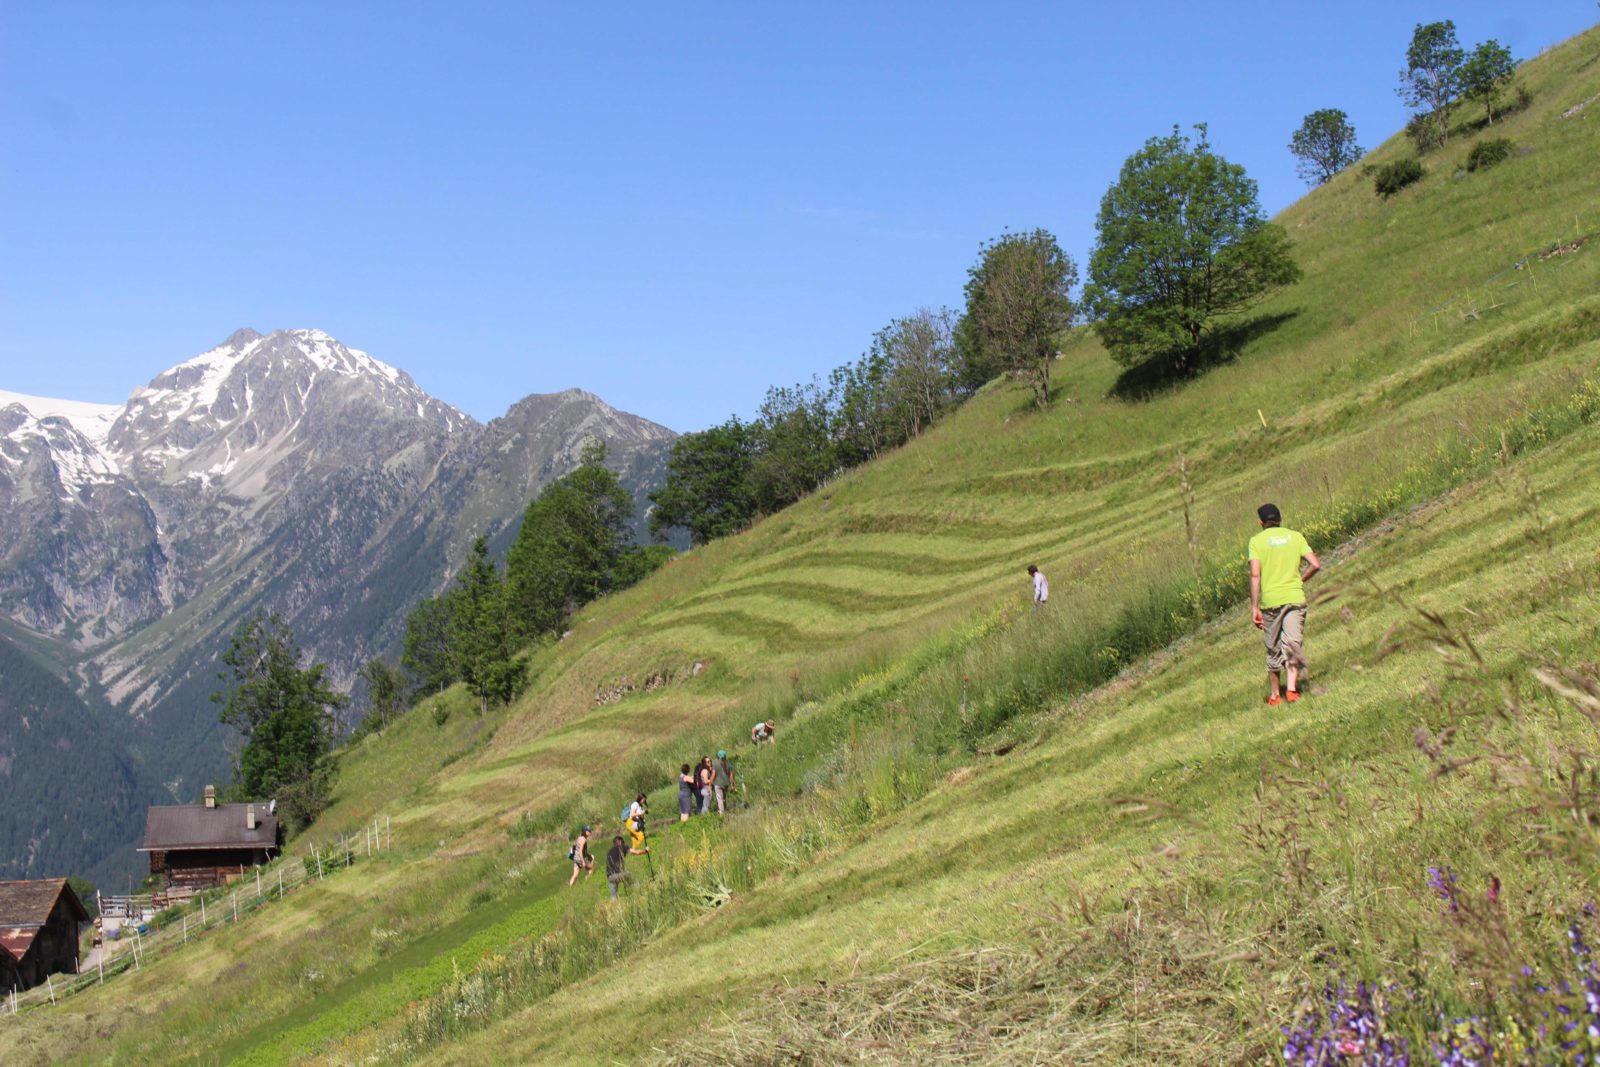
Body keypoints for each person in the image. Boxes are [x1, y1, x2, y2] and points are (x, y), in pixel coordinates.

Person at [1248, 503, 1321, 706]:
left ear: (1261, 523)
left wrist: (1254, 606)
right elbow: (1315, 564)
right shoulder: (1295, 537)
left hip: (1271, 601)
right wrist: (1300, 580)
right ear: (1281, 519)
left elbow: (1255, 574)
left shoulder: (1256, 542)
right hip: (1294, 597)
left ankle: (1275, 695)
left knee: (1273, 648)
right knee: (1292, 644)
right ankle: (1291, 689)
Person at [606, 835, 631, 899]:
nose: (623, 843)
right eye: (623, 842)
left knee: (613, 897)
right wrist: (645, 851)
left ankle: (614, 904)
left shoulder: (609, 852)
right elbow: (634, 852)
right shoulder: (622, 847)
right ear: (620, 842)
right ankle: (635, 892)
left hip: (610, 876)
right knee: (630, 876)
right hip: (619, 874)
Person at [714, 749, 734, 814]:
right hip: (726, 784)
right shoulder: (728, 764)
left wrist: (710, 783)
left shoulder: (716, 764)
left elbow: (713, 775)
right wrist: (732, 785)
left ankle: (722, 813)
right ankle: (725, 810)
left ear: (718, 756)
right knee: (724, 798)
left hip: (718, 784)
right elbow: (731, 776)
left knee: (720, 799)